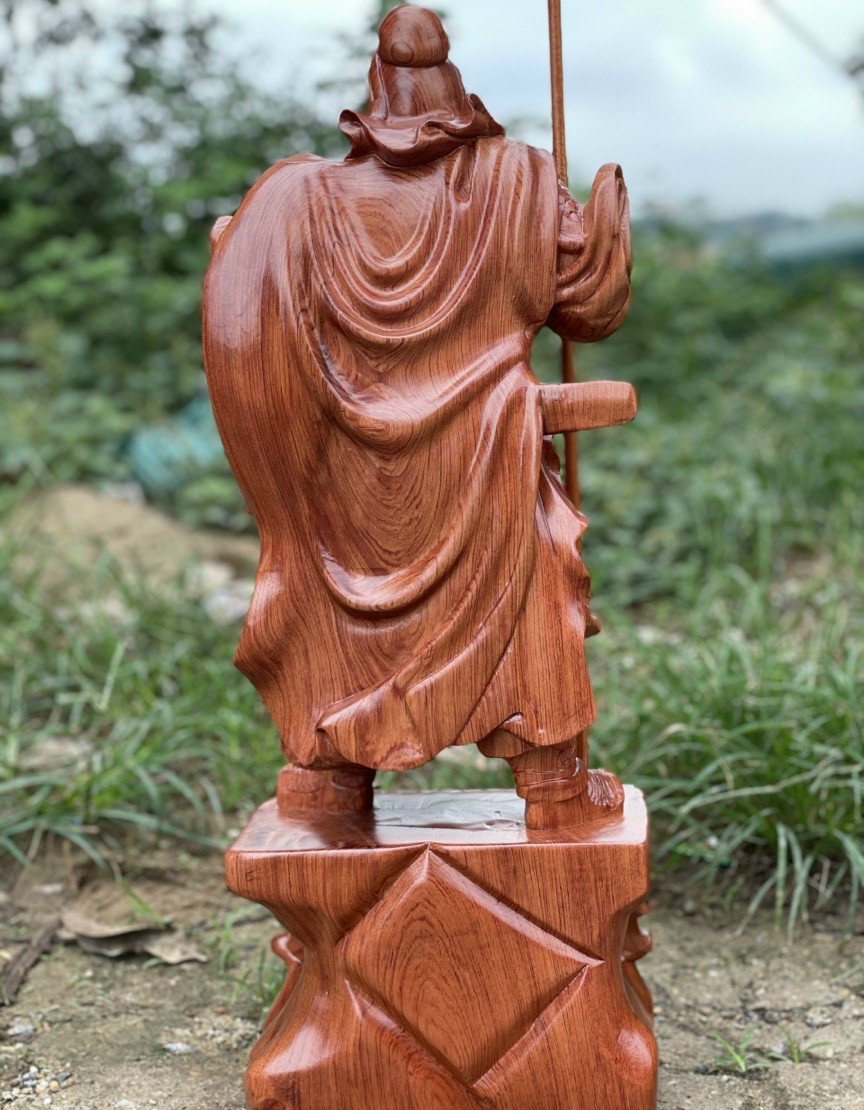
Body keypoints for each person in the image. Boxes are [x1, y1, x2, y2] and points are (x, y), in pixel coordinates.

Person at [203, 5, 633, 828]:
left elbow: (245, 310)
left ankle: (328, 778)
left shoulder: (297, 200)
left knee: (339, 616)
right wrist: (606, 212)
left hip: (346, 474)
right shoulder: (519, 178)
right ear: (456, 91)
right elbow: (588, 307)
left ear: (375, 91)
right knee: (530, 599)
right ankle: (554, 784)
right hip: (490, 455)